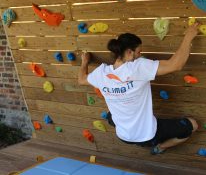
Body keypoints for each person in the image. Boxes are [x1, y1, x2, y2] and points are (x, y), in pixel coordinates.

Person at [78, 23, 199, 154]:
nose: (140, 55)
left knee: (110, 116)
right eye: (139, 52)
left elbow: (81, 79)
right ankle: (161, 147)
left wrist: (84, 62)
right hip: (147, 136)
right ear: (129, 53)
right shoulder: (138, 67)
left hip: (123, 135)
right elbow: (176, 65)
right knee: (192, 125)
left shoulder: (100, 73)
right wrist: (188, 37)